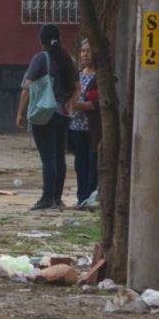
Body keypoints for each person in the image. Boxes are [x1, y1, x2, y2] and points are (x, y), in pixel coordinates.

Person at [16, 24, 81, 211]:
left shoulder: (40, 59)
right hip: (63, 115)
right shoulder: (69, 60)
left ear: (40, 41)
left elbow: (27, 87)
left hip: (45, 113)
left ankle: (46, 198)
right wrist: (70, 104)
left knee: (48, 158)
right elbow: (78, 87)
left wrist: (21, 113)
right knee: (59, 157)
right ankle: (57, 198)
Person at [67, 38, 98, 207]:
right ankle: (81, 197)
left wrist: (81, 105)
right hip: (76, 127)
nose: (85, 54)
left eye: (89, 51)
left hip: (92, 129)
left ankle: (90, 196)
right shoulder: (78, 75)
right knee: (80, 163)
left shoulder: (100, 77)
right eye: (83, 51)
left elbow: (99, 102)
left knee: (93, 163)